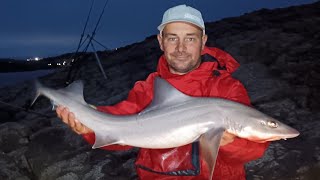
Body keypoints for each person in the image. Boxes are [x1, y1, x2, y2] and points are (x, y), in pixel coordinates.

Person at [56, 4, 269, 180]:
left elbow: (254, 149)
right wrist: (89, 127)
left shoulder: (226, 88)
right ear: (161, 42)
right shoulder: (148, 88)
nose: (181, 47)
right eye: (172, 38)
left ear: (203, 42)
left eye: (190, 38)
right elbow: (119, 127)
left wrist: (232, 143)